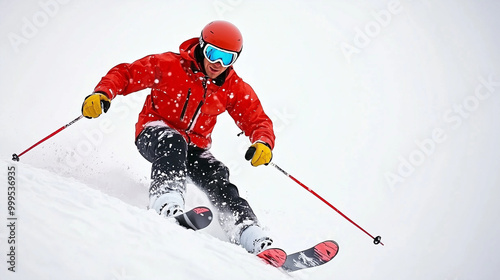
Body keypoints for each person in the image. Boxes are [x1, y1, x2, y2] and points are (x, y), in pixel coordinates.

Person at [81, 20, 276, 254]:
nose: (217, 63)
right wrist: (103, 93)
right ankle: (165, 199)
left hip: (194, 146)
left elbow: (256, 118)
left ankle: (247, 231)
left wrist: (263, 142)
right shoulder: (170, 65)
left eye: (227, 58)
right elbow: (127, 73)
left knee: (217, 176)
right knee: (173, 141)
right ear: (202, 47)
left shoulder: (232, 87)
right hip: (155, 132)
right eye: (213, 53)